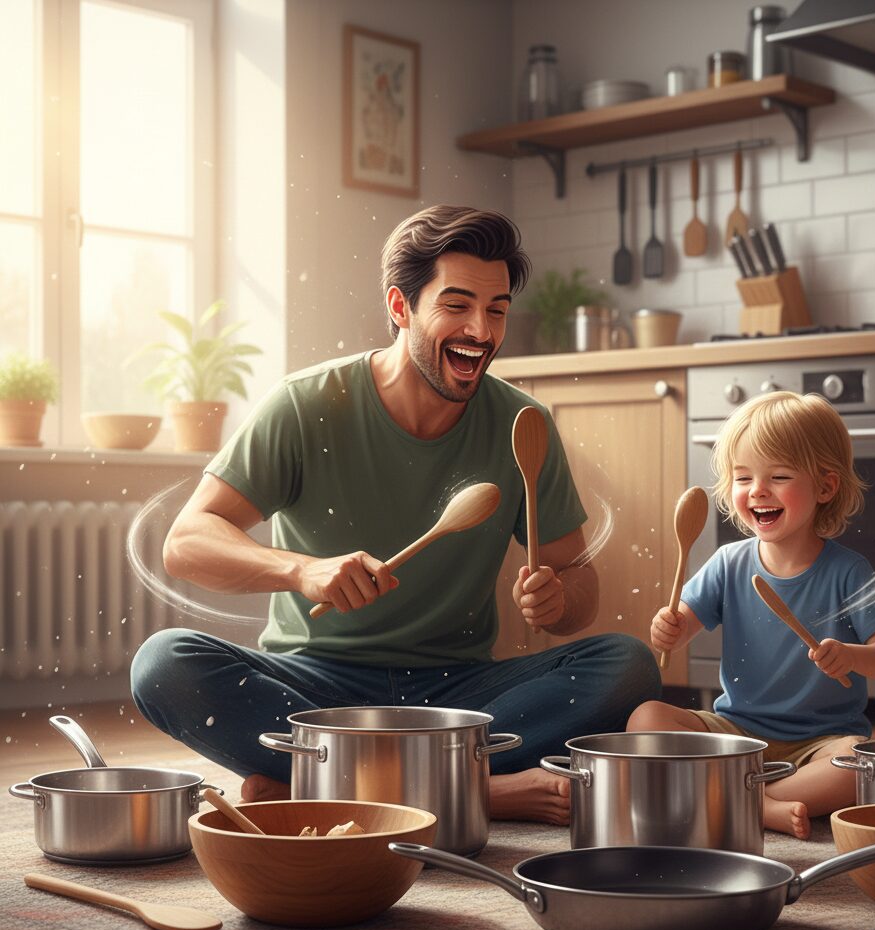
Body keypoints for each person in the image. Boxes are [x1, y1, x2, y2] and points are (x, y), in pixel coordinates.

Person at [131, 204, 660, 825]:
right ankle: (472, 791)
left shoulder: (524, 426)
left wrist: (558, 599)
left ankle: (320, 787)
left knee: (627, 665)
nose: (481, 331)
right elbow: (187, 541)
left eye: (496, 310)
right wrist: (302, 571)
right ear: (401, 307)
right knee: (164, 663)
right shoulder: (305, 406)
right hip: (314, 688)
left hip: (459, 698)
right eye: (457, 305)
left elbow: (579, 583)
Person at [632, 390, 875, 839]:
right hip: (736, 733)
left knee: (860, 760)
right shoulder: (728, 562)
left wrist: (853, 656)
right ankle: (762, 803)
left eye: (778, 476)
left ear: (825, 486)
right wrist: (669, 629)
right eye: (743, 478)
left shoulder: (848, 571)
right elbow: (678, 632)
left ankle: (734, 798)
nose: (757, 490)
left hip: (820, 741)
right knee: (646, 718)